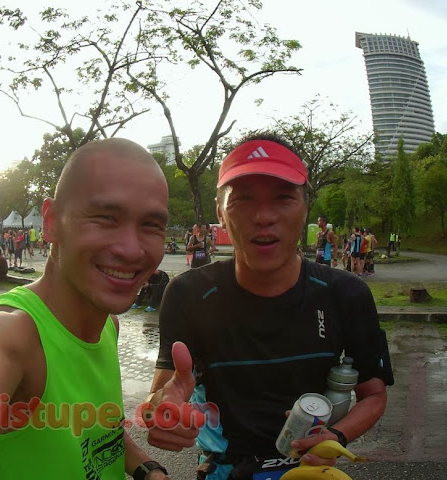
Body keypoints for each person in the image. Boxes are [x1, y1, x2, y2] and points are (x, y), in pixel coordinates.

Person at [0, 139, 173, 480]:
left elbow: (99, 431)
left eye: (151, 225)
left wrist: (148, 468)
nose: (131, 249)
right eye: (105, 218)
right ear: (51, 221)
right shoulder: (15, 334)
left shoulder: (108, 326)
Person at [147, 134, 393, 480]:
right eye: (243, 199)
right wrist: (162, 413)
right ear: (220, 212)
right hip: (225, 470)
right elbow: (161, 395)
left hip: (310, 469)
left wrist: (337, 435)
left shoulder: (345, 293)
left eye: (283, 198)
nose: (264, 217)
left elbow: (373, 394)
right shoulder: (188, 294)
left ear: (306, 207)